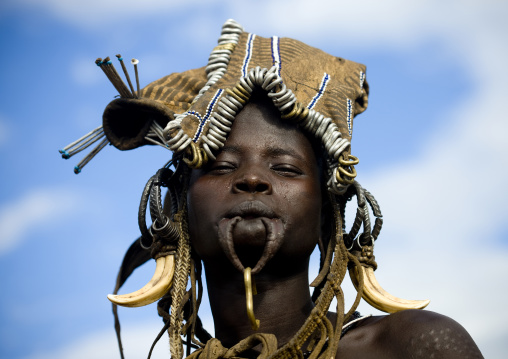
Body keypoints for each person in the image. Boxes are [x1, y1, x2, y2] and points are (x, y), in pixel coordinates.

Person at [60, 19, 483, 358]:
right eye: (221, 165)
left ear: (325, 214)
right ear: (178, 215)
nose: (252, 179)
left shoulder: (412, 346)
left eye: (285, 167)